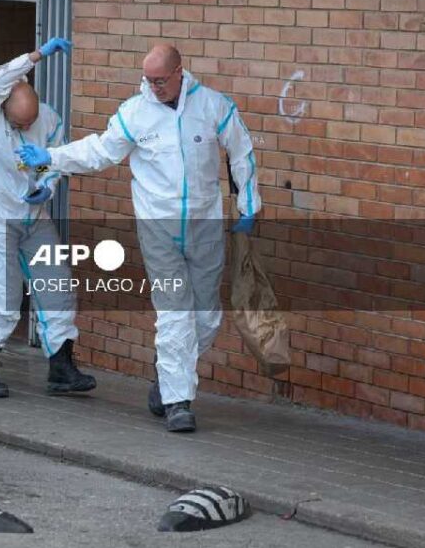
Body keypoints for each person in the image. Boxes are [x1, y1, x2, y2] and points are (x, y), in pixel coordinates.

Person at [17, 44, 260, 432]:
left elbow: (242, 151)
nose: (154, 87)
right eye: (149, 80)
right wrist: (50, 157)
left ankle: (167, 376)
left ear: (180, 72)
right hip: (158, 228)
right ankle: (178, 402)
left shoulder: (213, 106)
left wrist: (248, 207)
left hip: (205, 225)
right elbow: (99, 151)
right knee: (175, 312)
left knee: (207, 317)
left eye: (161, 80)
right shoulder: (135, 113)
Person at [0, 37, 97, 399]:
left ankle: (62, 367)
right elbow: (0, 78)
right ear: (5, 106)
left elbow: (55, 162)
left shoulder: (47, 118)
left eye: (30, 122)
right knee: (4, 296)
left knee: (57, 285)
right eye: (19, 123)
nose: (26, 128)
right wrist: (36, 56)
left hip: (32, 213)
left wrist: (47, 188)